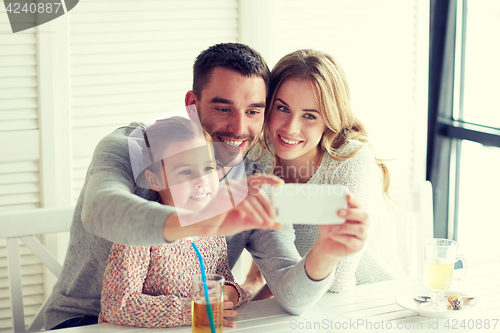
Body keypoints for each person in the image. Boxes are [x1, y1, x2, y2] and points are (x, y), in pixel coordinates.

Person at [45, 43, 369, 330]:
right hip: (81, 321)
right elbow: (102, 210)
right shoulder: (137, 145)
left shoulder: (251, 181)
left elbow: (291, 296)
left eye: (254, 111)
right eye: (223, 108)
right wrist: (204, 220)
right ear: (191, 103)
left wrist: (324, 255)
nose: (239, 128)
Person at [243, 49, 406, 299]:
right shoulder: (259, 157)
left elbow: (337, 280)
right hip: (306, 299)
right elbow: (270, 233)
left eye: (309, 115)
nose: (290, 128)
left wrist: (266, 294)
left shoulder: (351, 161)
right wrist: (253, 285)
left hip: (373, 299)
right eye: (282, 108)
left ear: (329, 119)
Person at [99, 117, 246, 328]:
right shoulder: (139, 233)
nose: (202, 181)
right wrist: (194, 311)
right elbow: (118, 305)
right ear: (155, 180)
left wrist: (230, 292)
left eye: (208, 168)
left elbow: (222, 280)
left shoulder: (212, 231)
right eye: (186, 172)